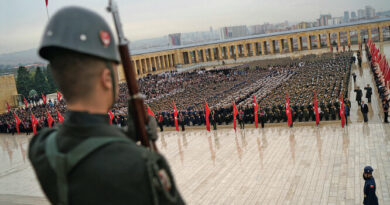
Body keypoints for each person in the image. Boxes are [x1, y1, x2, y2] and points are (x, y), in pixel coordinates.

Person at [28, 7, 184, 205]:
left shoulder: (41, 148)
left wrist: (127, 135)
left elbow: (80, 141)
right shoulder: (142, 166)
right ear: (107, 78)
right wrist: (128, 139)